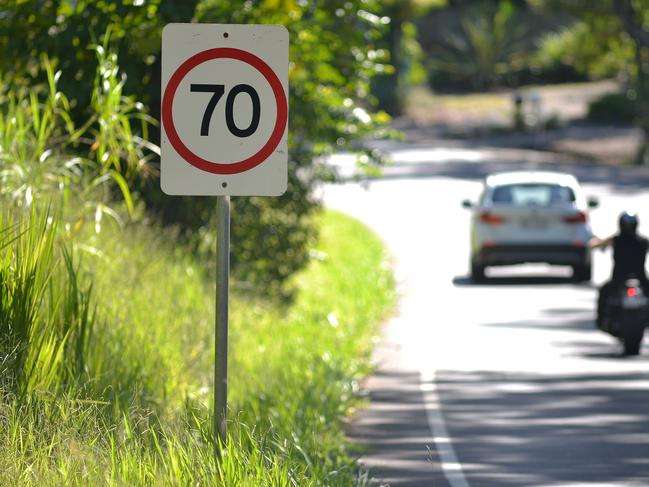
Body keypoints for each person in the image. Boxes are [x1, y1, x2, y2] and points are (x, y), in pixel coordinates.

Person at [590, 211, 649, 331]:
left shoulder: (616, 240)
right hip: (640, 278)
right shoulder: (643, 241)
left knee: (604, 293)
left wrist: (593, 242)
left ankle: (602, 322)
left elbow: (596, 245)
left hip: (619, 278)